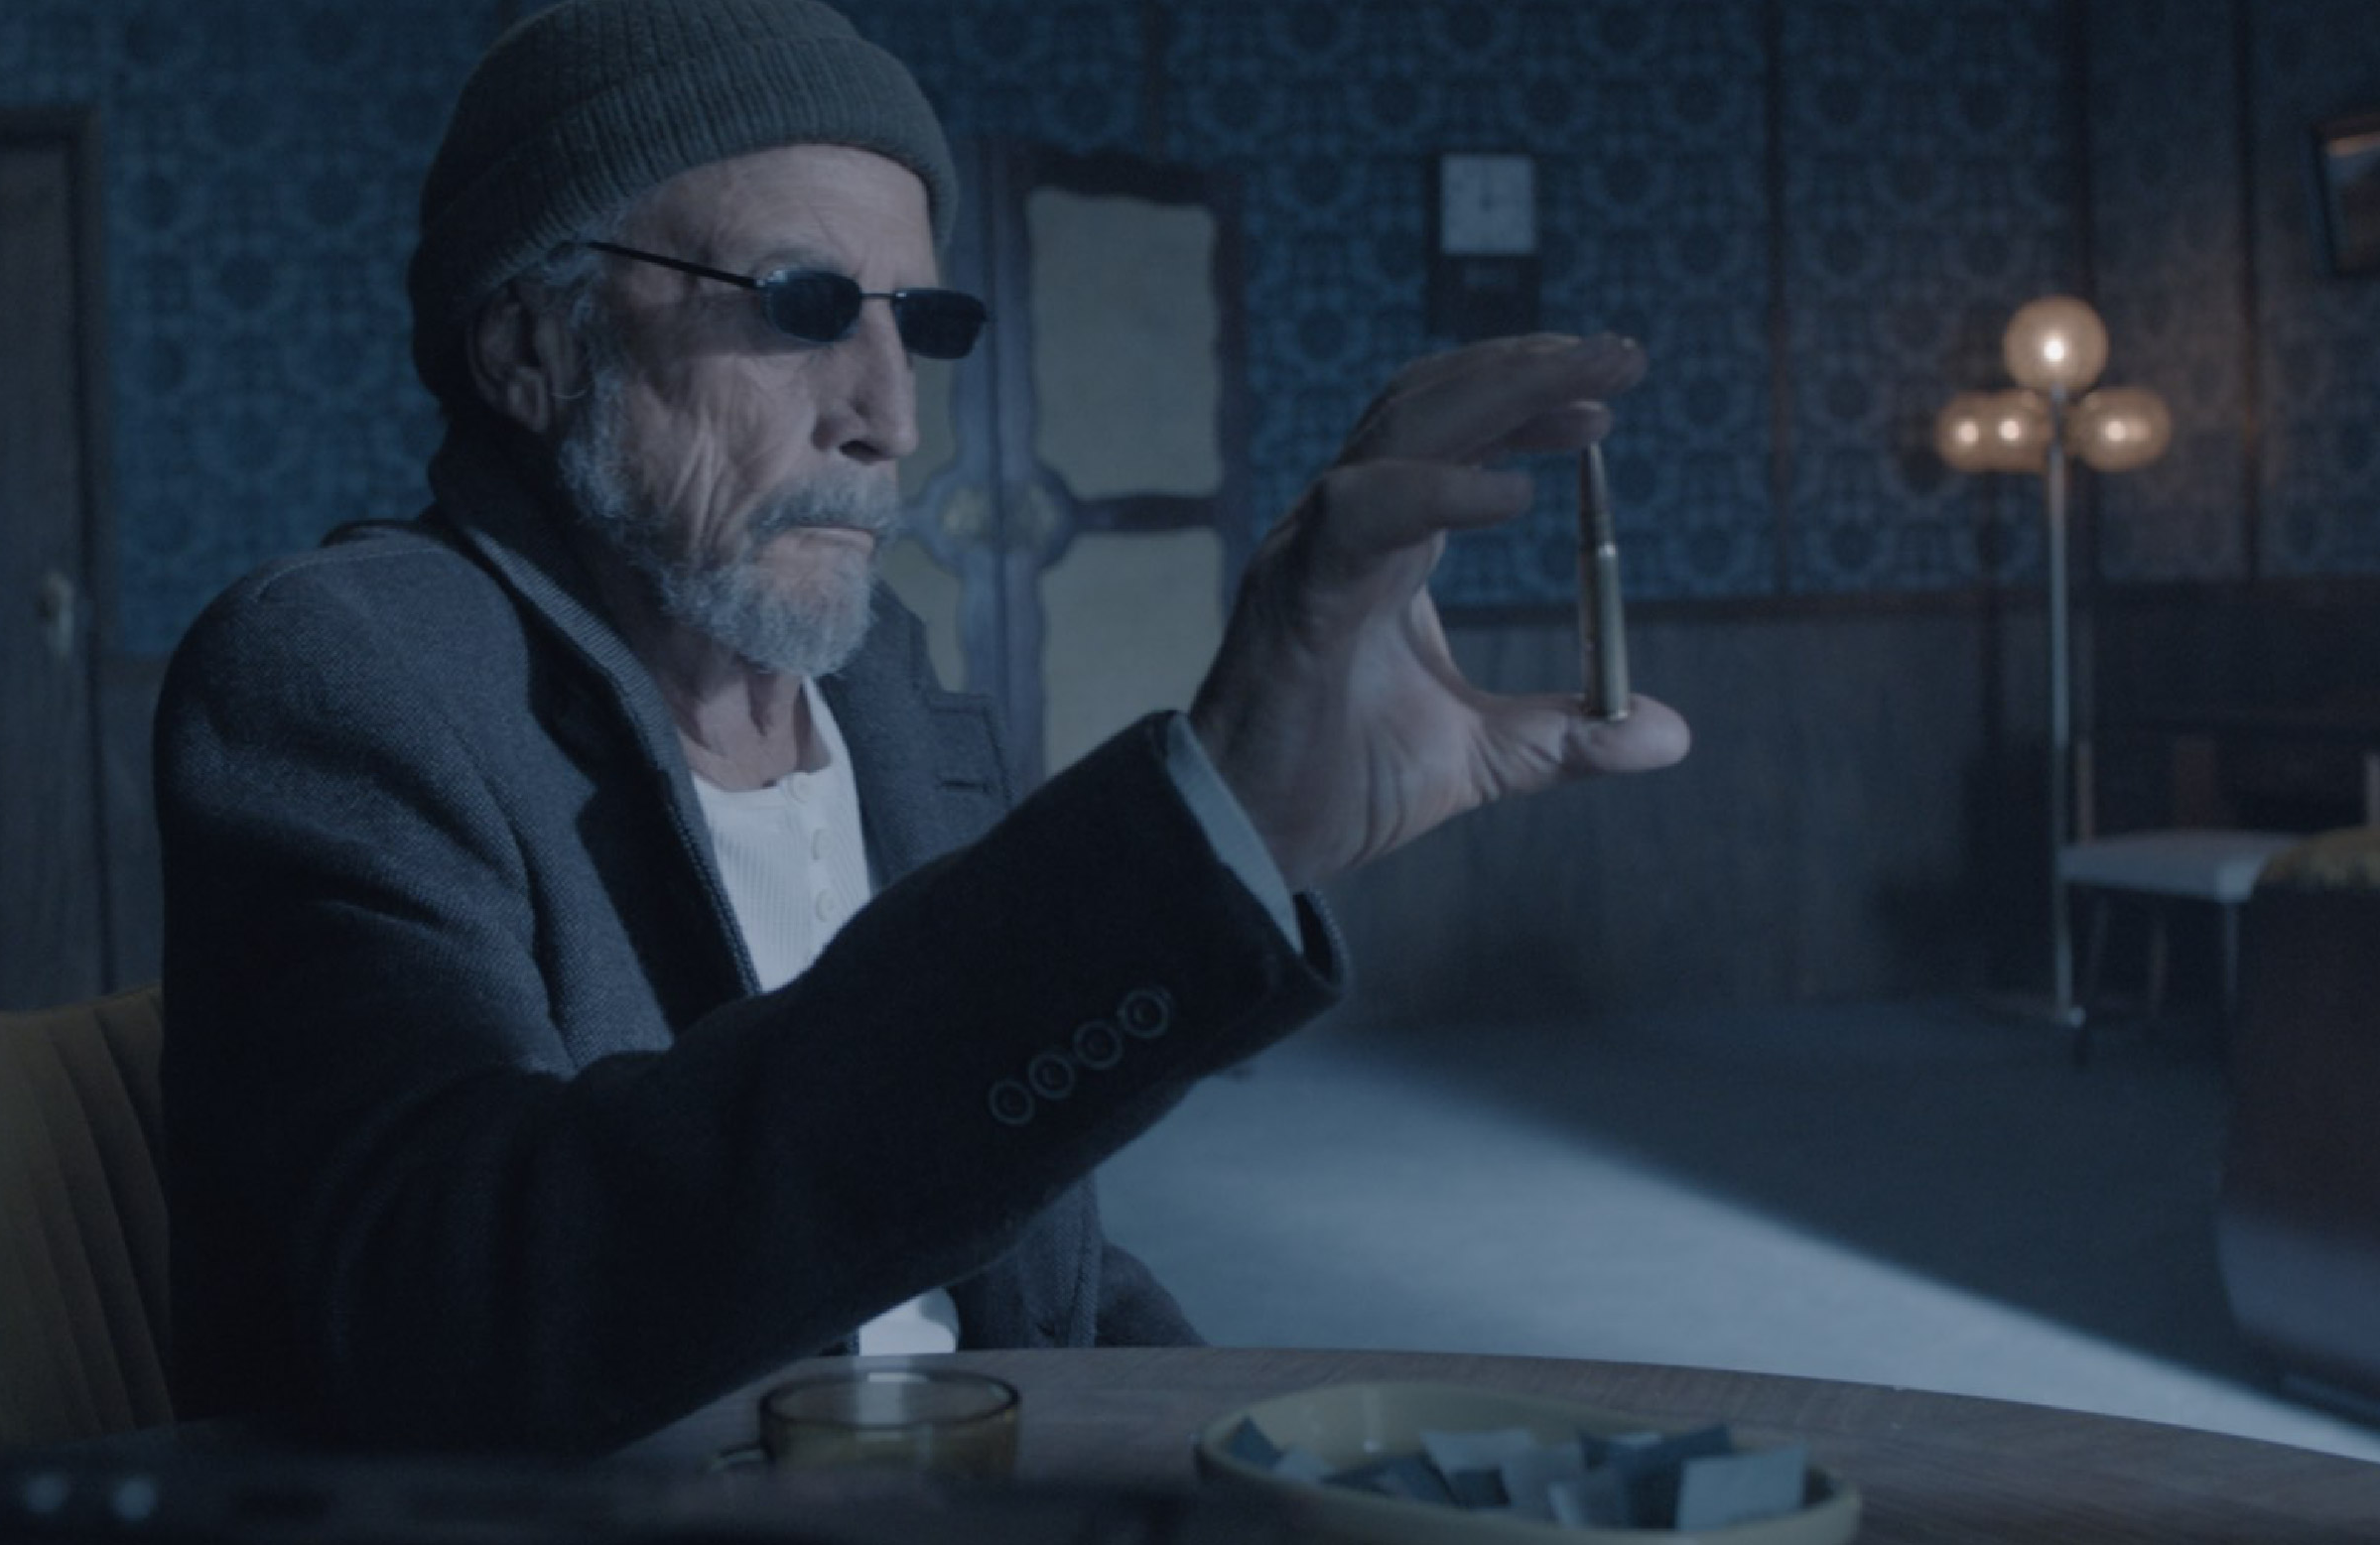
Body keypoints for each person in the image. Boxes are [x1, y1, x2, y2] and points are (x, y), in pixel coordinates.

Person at [154, 0, 1687, 1454]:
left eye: (918, 324)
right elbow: (471, 1309)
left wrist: (1253, 1463)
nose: (890, 416)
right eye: (799, 306)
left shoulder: (882, 678)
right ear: (529, 349)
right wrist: (1204, 813)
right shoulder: (343, 669)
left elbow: (1023, 1262)